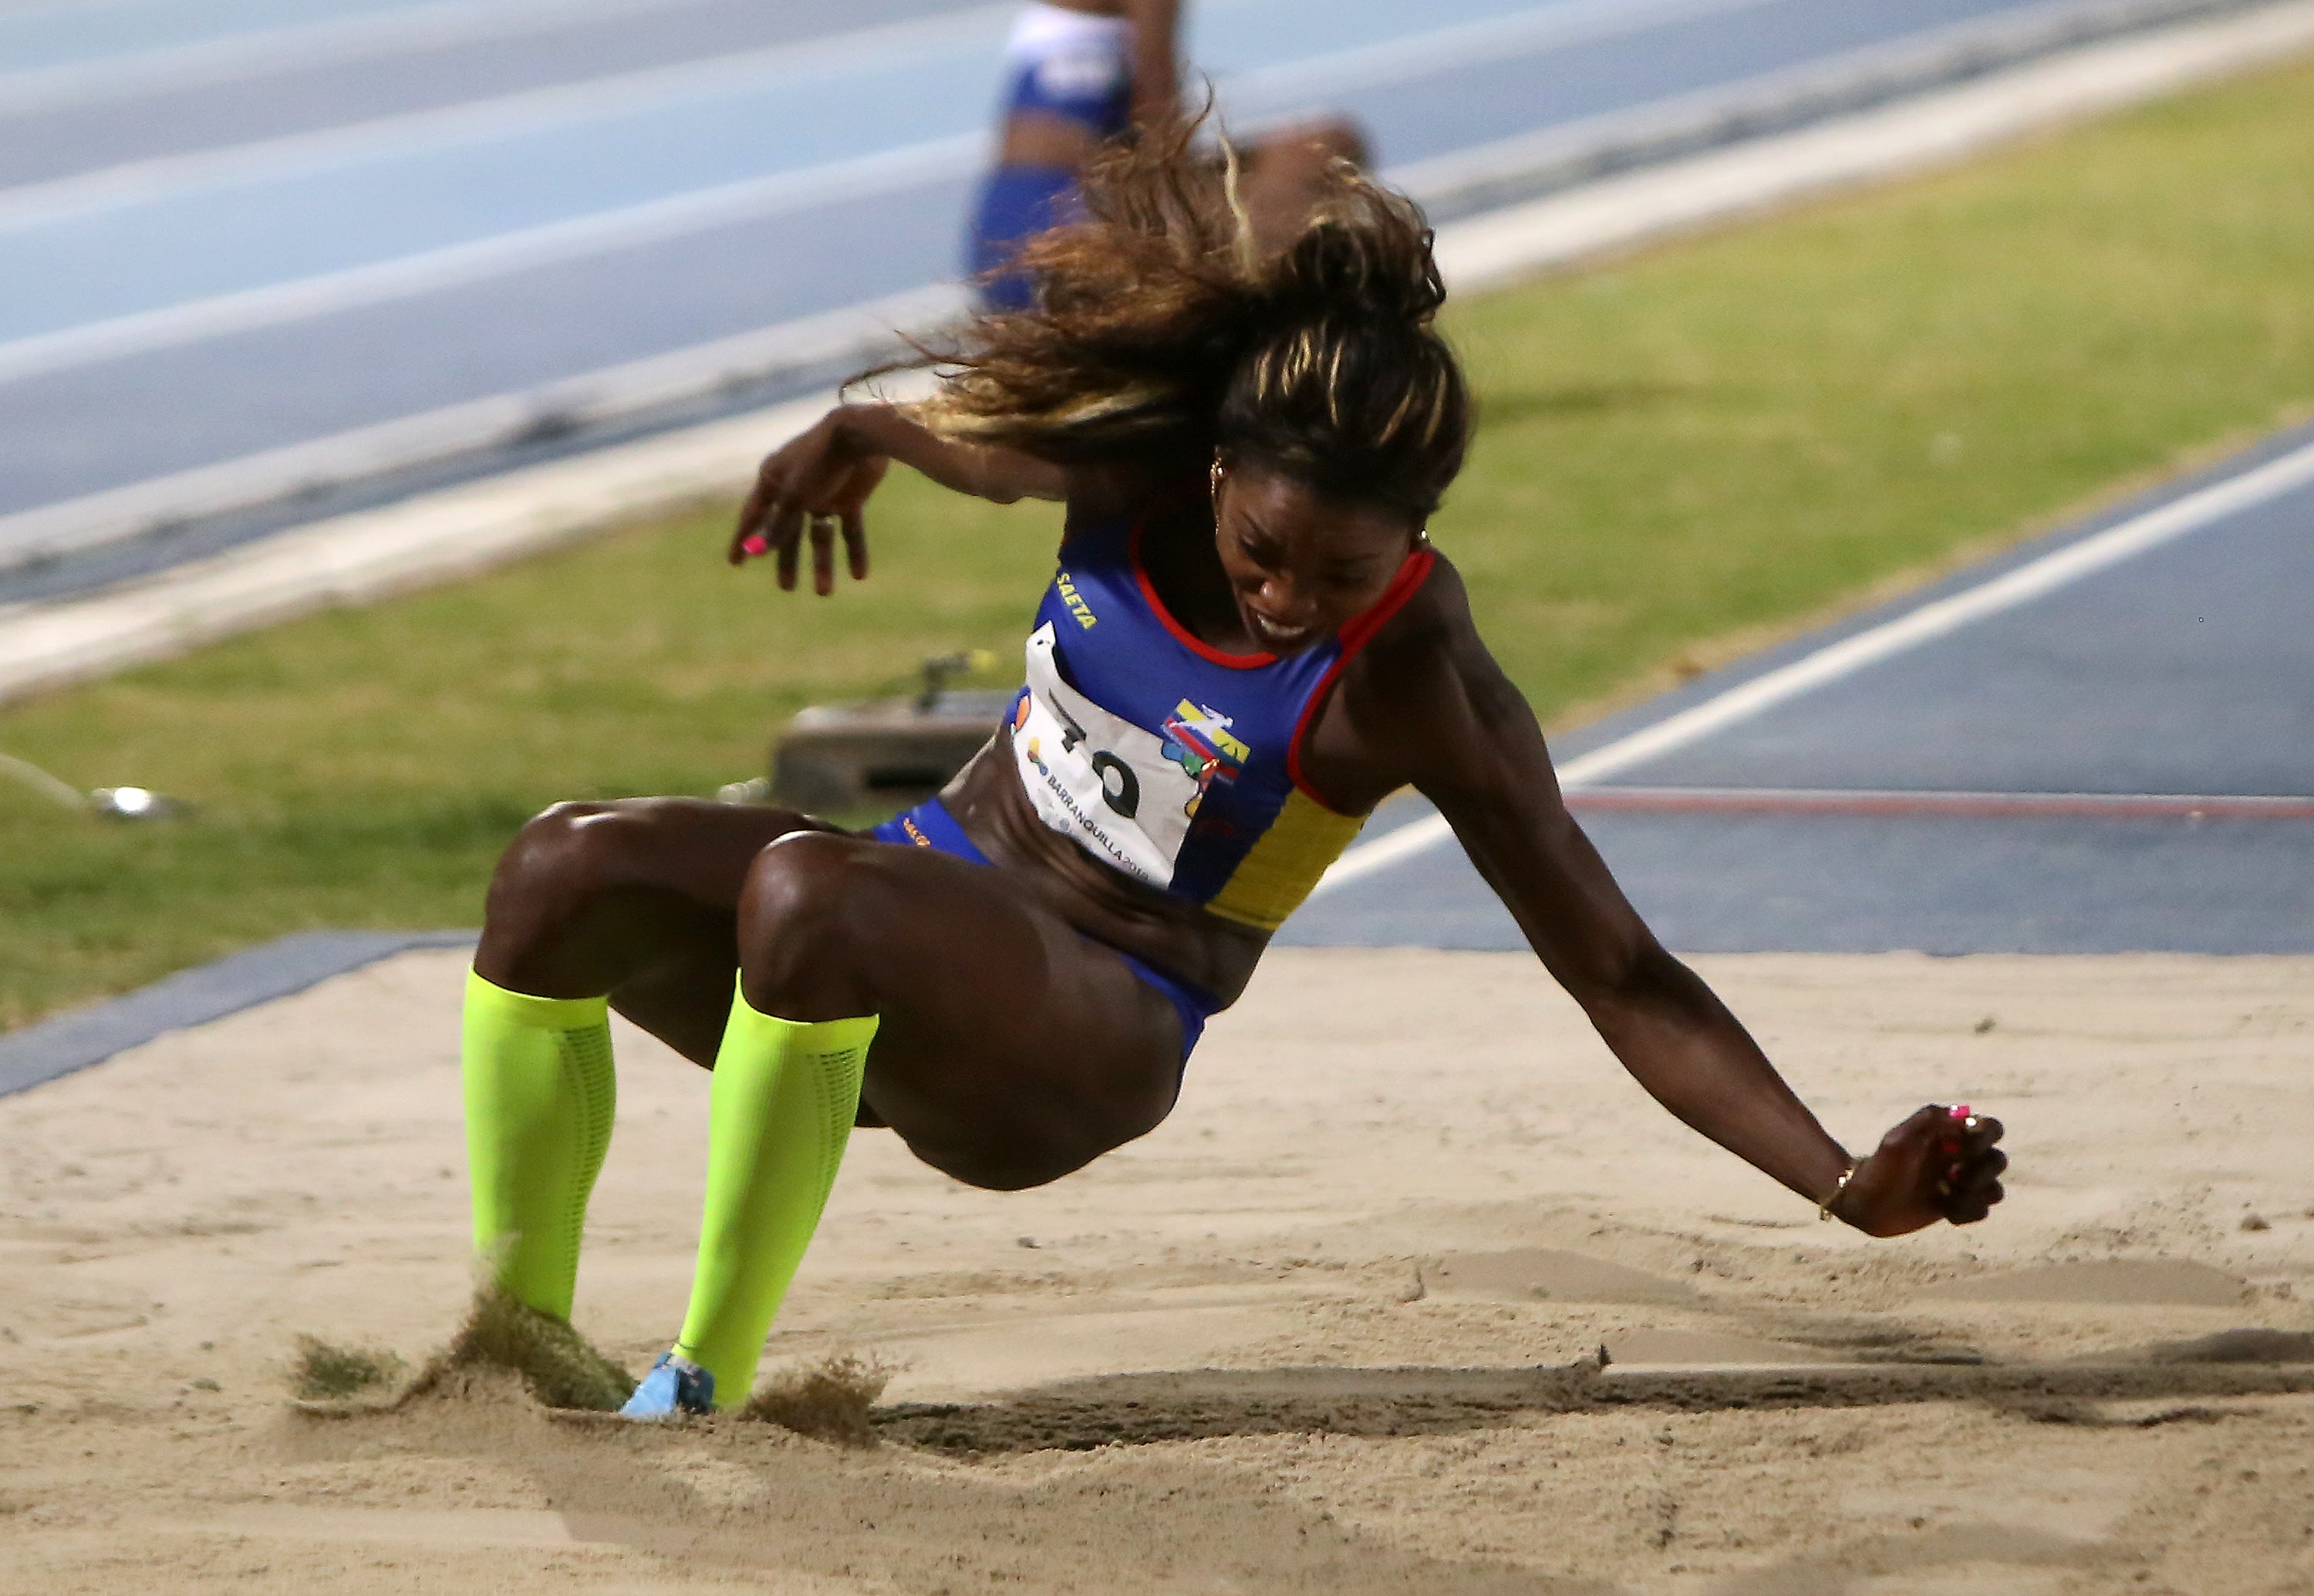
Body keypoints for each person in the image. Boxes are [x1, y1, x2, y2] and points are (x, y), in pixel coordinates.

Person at [460, 127, 2008, 1419]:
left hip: (1083, 1027)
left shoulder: (1409, 684)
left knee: (809, 888)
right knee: (556, 866)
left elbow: (1622, 972)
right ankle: (515, 1347)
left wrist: (1834, 1179)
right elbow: (985, 449)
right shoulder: (1133, 474)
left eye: (1336, 572)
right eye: (1262, 549)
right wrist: (866, 428)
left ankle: (700, 1381)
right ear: (1211, 472)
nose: (1282, 594)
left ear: (1414, 538)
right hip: (908, 904)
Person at [967, 0, 1369, 306]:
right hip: (1063, 241)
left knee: (1295, 158)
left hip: (998, 245)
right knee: (1326, 152)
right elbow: (1160, 130)